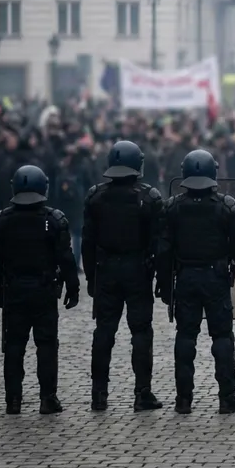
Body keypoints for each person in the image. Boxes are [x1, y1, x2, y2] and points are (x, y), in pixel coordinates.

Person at [155, 150, 235, 414]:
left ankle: (183, 399)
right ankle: (226, 398)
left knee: (185, 337)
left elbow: (163, 250)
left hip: (185, 277)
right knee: (222, 337)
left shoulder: (172, 207)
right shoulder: (227, 206)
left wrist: (165, 286)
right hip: (215, 278)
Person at [0, 165, 80, 415]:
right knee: (47, 345)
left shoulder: (1, 220)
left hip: (15, 290)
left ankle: (13, 400)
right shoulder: (54, 219)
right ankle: (48, 398)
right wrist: (73, 287)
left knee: (14, 345)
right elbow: (65, 257)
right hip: (44, 291)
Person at [82, 140, 164, 412]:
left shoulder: (96, 196)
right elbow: (158, 242)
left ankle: (99, 393)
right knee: (140, 332)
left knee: (104, 331)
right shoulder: (149, 197)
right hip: (137, 271)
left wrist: (92, 278)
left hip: (106, 270)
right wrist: (157, 274)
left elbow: (88, 242)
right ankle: (142, 392)